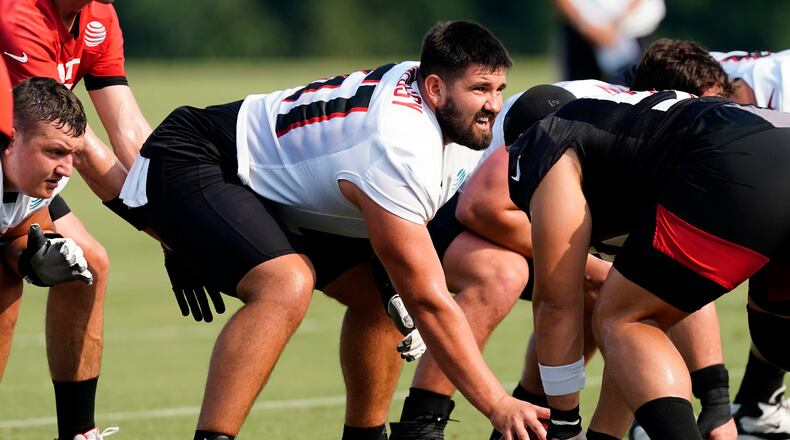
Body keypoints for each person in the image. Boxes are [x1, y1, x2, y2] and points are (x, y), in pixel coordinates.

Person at [116, 21, 549, 440]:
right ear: (434, 88)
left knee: (383, 301)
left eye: (498, 89)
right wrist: (497, 404)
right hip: (199, 158)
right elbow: (430, 302)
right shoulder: (399, 145)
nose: (493, 104)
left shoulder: (434, 103)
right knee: (287, 284)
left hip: (281, 182)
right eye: (479, 89)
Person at [392, 39, 740, 440]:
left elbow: (676, 278)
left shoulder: (643, 131)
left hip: (510, 208)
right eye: (709, 114)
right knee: (504, 275)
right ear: (676, 101)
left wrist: (716, 402)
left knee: (611, 295)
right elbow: (484, 207)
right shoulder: (595, 110)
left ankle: (534, 422)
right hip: (449, 201)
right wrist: (592, 264)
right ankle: (421, 421)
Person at [508, 84, 790, 440]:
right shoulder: (635, 134)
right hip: (774, 132)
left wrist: (564, 425)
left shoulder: (544, 138)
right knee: (778, 338)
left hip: (742, 158)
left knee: (623, 318)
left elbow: (556, 300)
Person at [0, 2, 151, 438]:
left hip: (21, 175)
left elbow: (128, 130)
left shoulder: (99, 16)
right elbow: (62, 135)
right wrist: (169, 232)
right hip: (19, 160)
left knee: (84, 264)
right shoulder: (18, 14)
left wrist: (175, 219)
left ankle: (78, 432)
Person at [0, 74, 113, 440]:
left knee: (81, 264)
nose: (66, 169)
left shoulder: (44, 178)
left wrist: (35, 258)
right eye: (54, 152)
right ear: (9, 140)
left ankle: (79, 431)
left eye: (71, 154)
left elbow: (18, 229)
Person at [552, 0, 665, 81]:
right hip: (581, 32)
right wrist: (585, 26)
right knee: (576, 98)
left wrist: (614, 26)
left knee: (640, 92)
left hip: (635, 29)